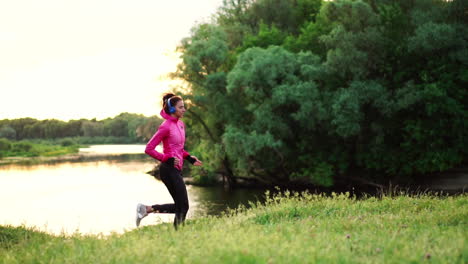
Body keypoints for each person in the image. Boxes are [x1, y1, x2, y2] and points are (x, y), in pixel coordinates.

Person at [136, 93, 202, 229]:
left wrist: (189, 157)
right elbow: (149, 148)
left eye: (184, 107)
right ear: (172, 109)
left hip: (176, 170)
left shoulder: (181, 125)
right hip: (168, 169)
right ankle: (177, 233)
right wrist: (167, 158)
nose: (184, 110)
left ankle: (147, 209)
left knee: (181, 206)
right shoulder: (165, 126)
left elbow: (178, 149)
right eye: (181, 107)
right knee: (183, 206)